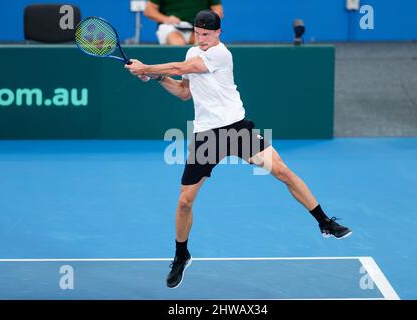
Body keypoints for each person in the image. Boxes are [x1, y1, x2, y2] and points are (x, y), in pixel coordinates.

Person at [125, 10, 352, 289]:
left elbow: (179, 69)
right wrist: (156, 79)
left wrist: (146, 68)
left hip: (236, 130)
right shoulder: (191, 53)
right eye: (198, 33)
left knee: (282, 171)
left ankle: (324, 222)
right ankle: (181, 254)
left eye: (207, 34)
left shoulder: (221, 54)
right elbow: (184, 92)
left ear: (219, 33)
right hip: (206, 136)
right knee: (185, 201)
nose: (202, 39)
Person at [144, 0, 223, 45]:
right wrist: (166, 19)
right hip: (171, 26)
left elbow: (218, 11)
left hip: (198, 27)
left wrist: (205, 24)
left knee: (201, 45)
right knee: (177, 43)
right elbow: (149, 10)